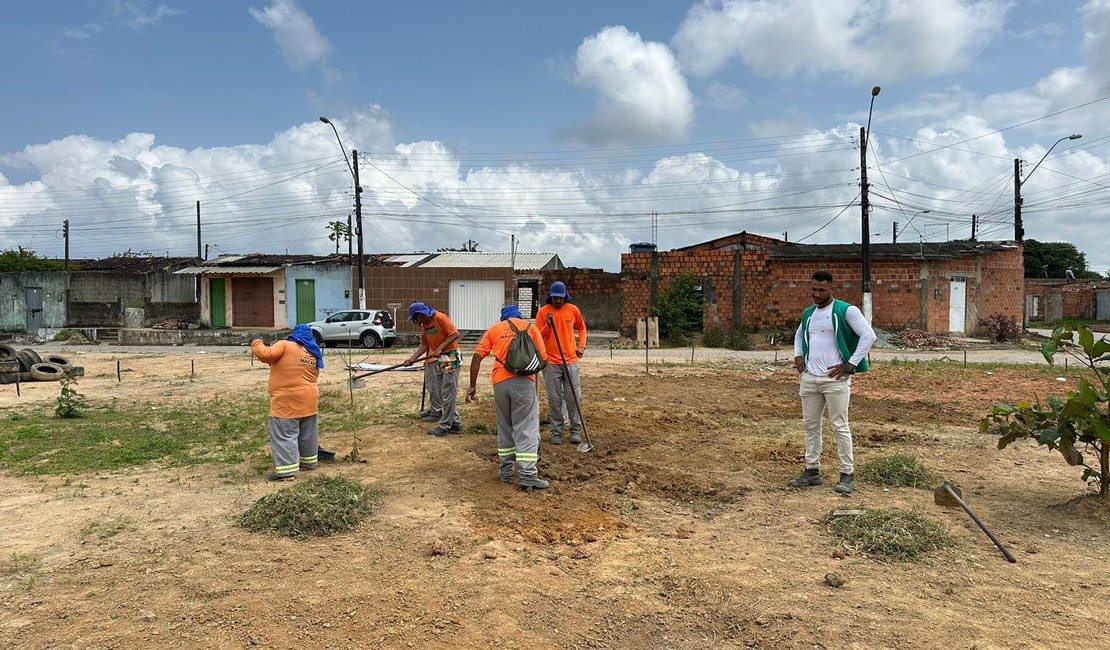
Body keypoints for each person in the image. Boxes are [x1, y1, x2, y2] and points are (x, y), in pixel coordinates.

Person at [789, 271, 877, 494]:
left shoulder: (846, 310)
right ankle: (812, 471)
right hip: (810, 379)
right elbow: (799, 335)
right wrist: (798, 356)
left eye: (821, 290)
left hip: (835, 380)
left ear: (831, 289)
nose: (816, 294)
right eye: (813, 290)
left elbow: (869, 336)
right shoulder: (808, 313)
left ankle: (847, 474)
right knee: (811, 426)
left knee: (840, 425)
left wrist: (850, 364)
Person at [466, 305, 550, 490]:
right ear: (519, 316)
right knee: (526, 426)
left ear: (503, 318)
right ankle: (528, 475)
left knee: (505, 426)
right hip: (523, 384)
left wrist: (472, 386)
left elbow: (476, 357)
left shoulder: (495, 329)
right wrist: (529, 367)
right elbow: (544, 360)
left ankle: (506, 472)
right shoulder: (531, 328)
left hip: (500, 383)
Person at [251, 324, 325, 481]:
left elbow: (265, 354)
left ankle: (287, 471)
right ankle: (308, 462)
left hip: (286, 401)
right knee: (307, 434)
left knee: (285, 434)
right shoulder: (313, 352)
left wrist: (256, 341)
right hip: (309, 400)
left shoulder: (286, 345)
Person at [535, 281, 588, 445]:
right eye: (555, 298)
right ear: (550, 296)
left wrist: (582, 346)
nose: (558, 301)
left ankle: (575, 430)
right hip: (551, 363)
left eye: (560, 298)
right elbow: (537, 336)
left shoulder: (573, 310)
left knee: (574, 397)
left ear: (565, 296)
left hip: (570, 361)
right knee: (555, 398)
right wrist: (548, 326)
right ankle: (556, 431)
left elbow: (582, 328)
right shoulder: (544, 312)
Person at [403, 302, 463, 437]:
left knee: (448, 393)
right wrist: (412, 359)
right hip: (441, 358)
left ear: (421, 315)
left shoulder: (440, 318)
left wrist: (440, 348)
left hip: (451, 356)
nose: (414, 322)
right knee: (444, 394)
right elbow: (424, 344)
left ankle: (445, 426)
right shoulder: (425, 325)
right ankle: (456, 423)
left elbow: (454, 334)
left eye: (415, 318)